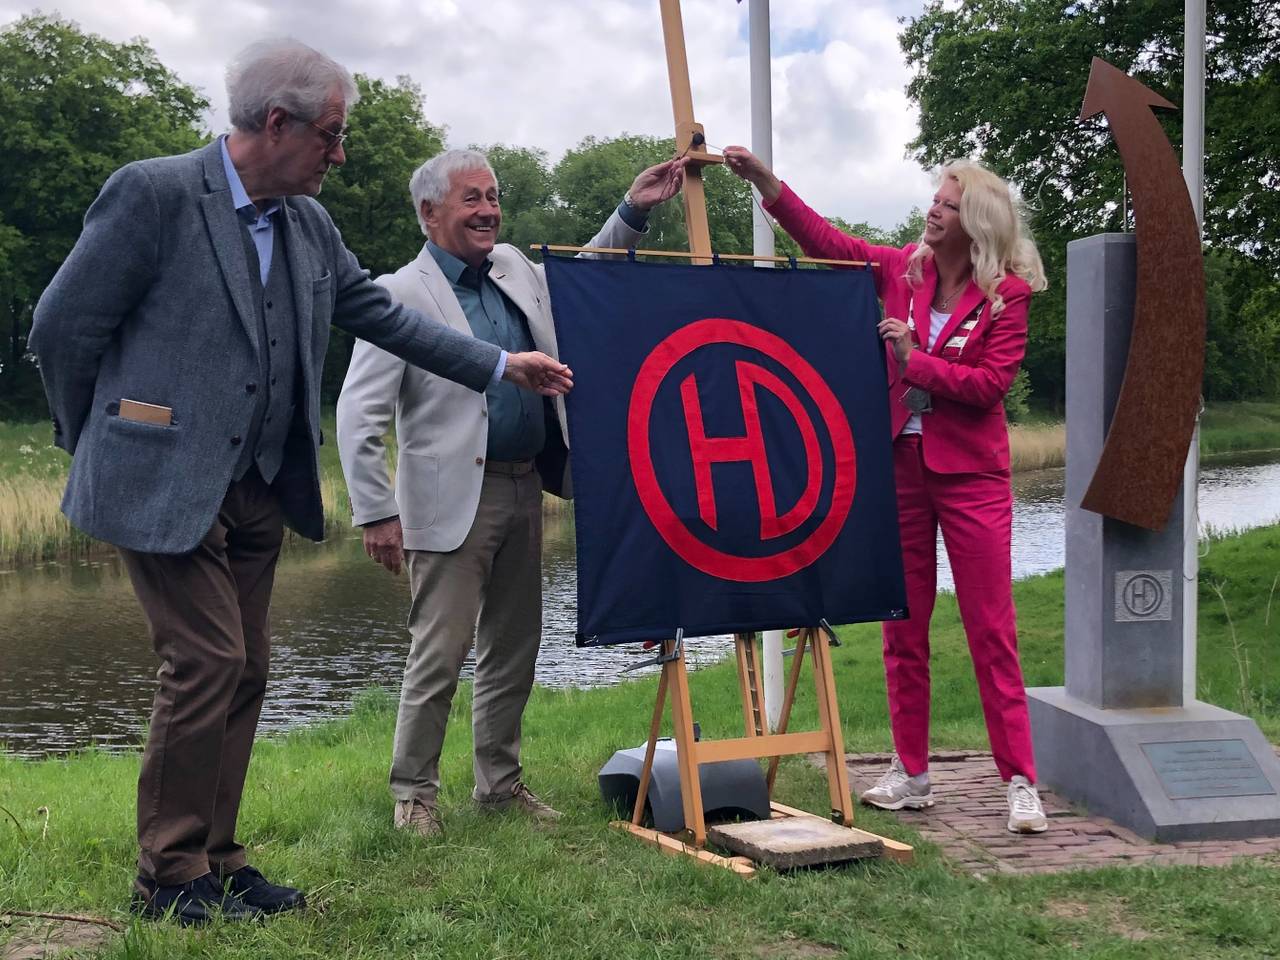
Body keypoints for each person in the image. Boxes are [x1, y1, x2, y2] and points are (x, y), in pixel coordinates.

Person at [27, 39, 573, 926]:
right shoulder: (155, 193)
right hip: (158, 478)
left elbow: (383, 317)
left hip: (257, 484)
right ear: (275, 124)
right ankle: (167, 877)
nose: (341, 151)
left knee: (248, 669)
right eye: (331, 134)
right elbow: (62, 327)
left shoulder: (308, 225)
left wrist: (499, 364)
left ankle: (218, 857)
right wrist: (96, 433)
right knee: (206, 659)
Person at [337, 149, 684, 837]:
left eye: (493, 196)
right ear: (430, 212)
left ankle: (499, 787)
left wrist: (632, 211)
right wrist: (376, 510)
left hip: (526, 486)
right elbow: (357, 411)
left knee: (514, 649)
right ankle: (414, 797)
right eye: (472, 198)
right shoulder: (399, 294)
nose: (489, 210)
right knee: (438, 655)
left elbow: (580, 280)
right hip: (447, 503)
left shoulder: (515, 268)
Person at [723, 145, 1050, 834]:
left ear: (978, 224)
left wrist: (915, 361)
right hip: (901, 470)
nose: (935, 208)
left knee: (992, 629)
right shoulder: (902, 268)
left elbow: (990, 387)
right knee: (904, 628)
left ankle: (1020, 781)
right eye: (936, 196)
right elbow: (828, 241)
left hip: (973, 480)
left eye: (951, 203)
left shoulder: (1007, 297)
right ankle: (913, 773)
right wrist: (768, 186)